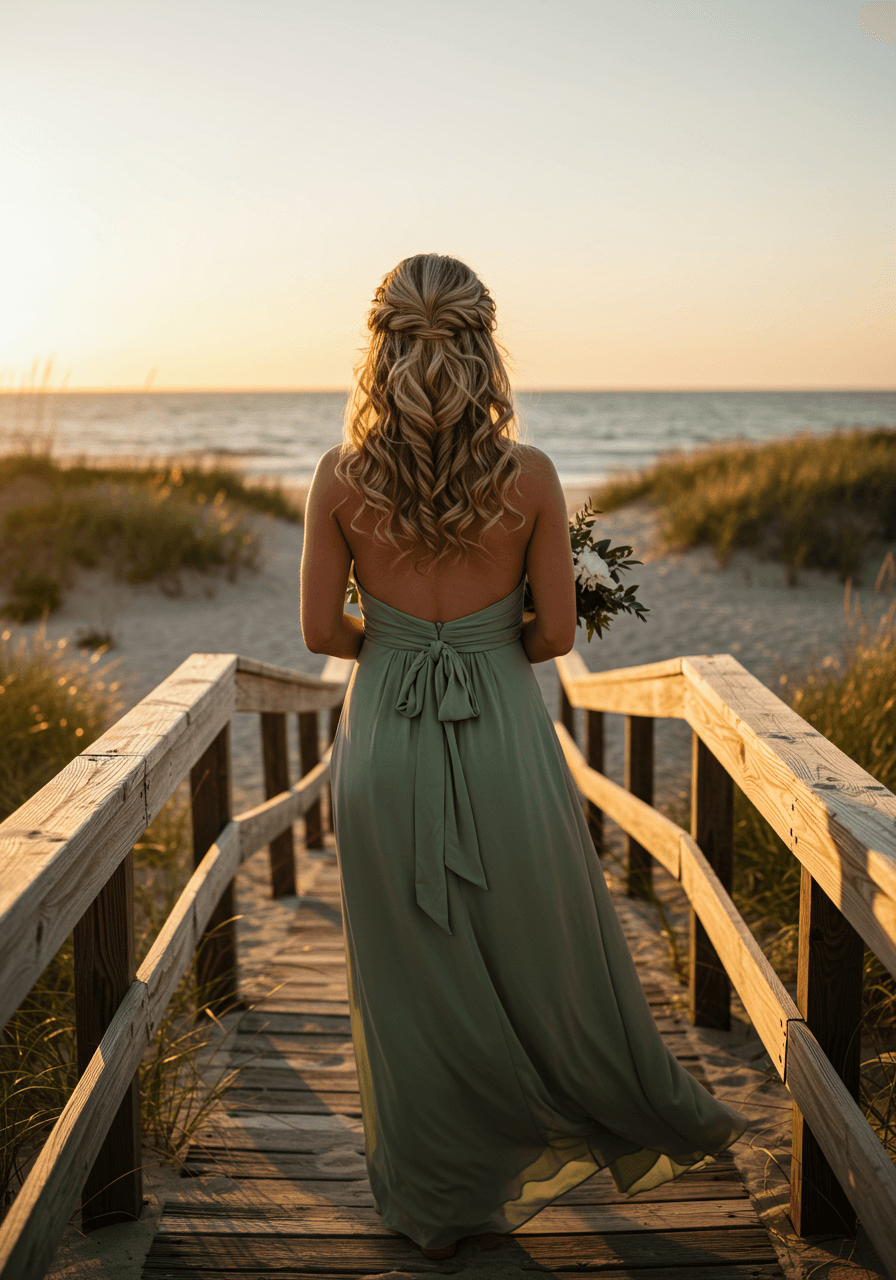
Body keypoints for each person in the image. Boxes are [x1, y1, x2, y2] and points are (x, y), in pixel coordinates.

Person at [299, 253, 748, 1260]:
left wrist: (405, 636)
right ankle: (562, 1113)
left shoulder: (337, 477)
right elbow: (551, 641)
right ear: (481, 345)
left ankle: (435, 1198)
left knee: (409, 974)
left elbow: (319, 632)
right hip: (499, 728)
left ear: (380, 349)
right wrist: (487, 624)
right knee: (531, 947)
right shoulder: (530, 475)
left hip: (385, 739)